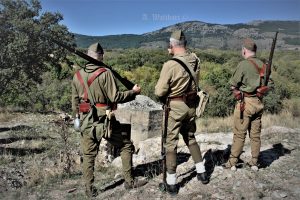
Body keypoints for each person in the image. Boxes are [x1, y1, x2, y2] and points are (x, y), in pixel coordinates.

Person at [72, 42, 147, 197]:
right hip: (105, 121)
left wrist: (77, 119)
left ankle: (89, 190)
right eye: (102, 54)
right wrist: (133, 92)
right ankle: (129, 181)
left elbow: (75, 102)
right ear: (100, 56)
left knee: (88, 156)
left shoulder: (77, 75)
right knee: (126, 146)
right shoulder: (105, 73)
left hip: (86, 121)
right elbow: (116, 97)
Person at [155, 30, 209, 195]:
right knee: (190, 138)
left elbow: (159, 92)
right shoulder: (195, 59)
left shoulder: (170, 65)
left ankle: (171, 184)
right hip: (191, 106)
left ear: (172, 45)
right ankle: (202, 173)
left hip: (175, 109)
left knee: (170, 143)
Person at [223, 38, 267, 171]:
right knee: (255, 135)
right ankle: (254, 162)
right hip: (258, 103)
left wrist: (236, 92)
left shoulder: (243, 64)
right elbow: (270, 84)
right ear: (255, 51)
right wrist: (260, 91)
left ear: (244, 51)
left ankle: (232, 163)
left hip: (245, 104)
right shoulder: (263, 65)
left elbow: (232, 84)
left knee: (239, 134)